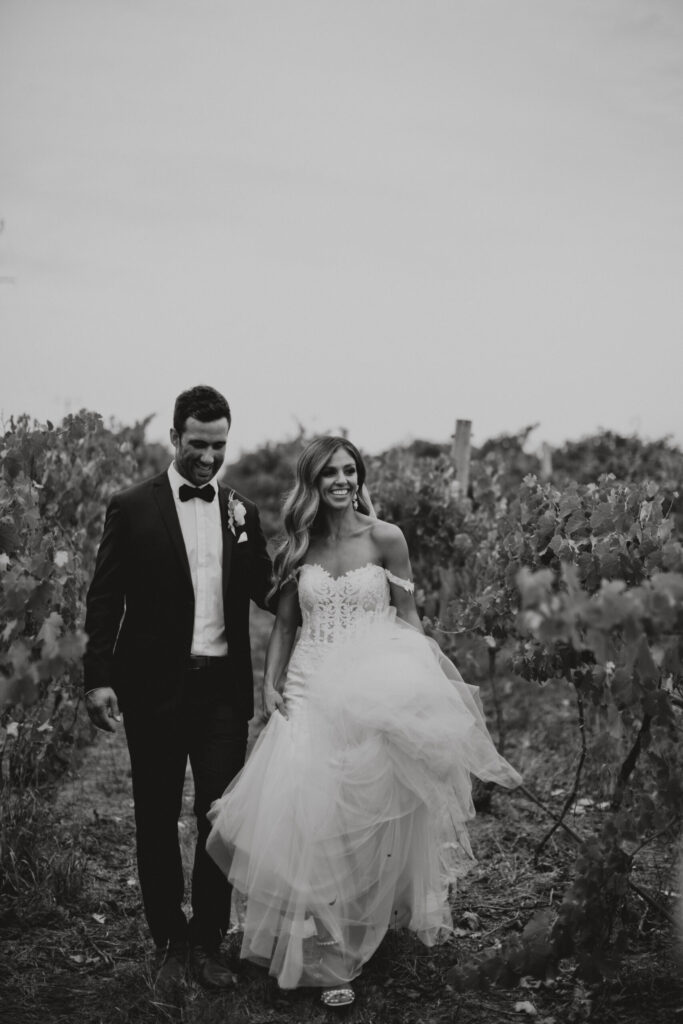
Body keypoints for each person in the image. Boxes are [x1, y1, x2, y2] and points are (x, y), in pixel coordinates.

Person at [206, 435, 521, 1007]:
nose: (343, 481)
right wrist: (270, 683)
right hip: (310, 686)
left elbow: (409, 620)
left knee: (363, 817)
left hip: (373, 688)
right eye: (330, 473)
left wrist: (414, 693)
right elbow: (284, 626)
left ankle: (357, 928)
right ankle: (322, 953)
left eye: (350, 470)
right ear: (313, 482)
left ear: (360, 477)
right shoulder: (299, 545)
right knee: (308, 817)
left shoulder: (386, 538)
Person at [83, 385, 273, 993]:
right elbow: (104, 596)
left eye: (219, 446)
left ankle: (208, 941)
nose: (209, 457)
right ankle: (168, 940)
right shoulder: (131, 506)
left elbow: (265, 592)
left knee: (221, 820)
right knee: (156, 818)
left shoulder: (243, 511)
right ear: (174, 438)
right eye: (198, 444)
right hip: (155, 690)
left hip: (221, 692)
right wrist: (98, 677)